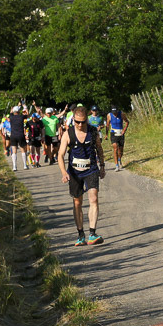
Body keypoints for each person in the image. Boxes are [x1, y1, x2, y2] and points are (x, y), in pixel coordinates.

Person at [58, 105, 106, 246]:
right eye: (77, 122)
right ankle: (80, 234)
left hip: (91, 169)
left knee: (94, 199)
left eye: (83, 122)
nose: (80, 125)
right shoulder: (68, 134)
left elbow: (99, 149)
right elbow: (60, 155)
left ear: (87, 120)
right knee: (77, 202)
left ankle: (92, 233)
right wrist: (64, 172)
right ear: (73, 120)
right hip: (74, 172)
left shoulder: (93, 132)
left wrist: (102, 166)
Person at [106, 105, 129, 171]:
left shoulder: (121, 114)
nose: (115, 114)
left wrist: (124, 130)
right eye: (113, 113)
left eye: (115, 112)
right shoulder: (109, 115)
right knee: (115, 148)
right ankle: (116, 165)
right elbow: (107, 125)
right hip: (113, 133)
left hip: (120, 133)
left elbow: (127, 122)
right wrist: (106, 134)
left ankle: (119, 159)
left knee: (121, 151)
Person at [7, 105, 28, 171]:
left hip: (13, 135)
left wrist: (11, 109)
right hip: (20, 135)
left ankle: (14, 167)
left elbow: (10, 112)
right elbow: (27, 114)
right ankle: (25, 165)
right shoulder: (22, 117)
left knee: (14, 150)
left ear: (13, 111)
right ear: (19, 111)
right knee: (23, 150)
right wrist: (25, 107)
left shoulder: (11, 117)